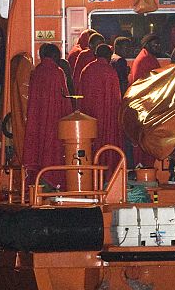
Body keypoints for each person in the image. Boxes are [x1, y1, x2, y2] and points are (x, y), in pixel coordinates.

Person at [23, 43, 73, 189]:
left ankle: (38, 182)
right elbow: (64, 99)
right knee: (53, 152)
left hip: (37, 121)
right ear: (55, 56)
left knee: (38, 148)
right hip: (55, 121)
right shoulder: (57, 72)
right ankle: (52, 183)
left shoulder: (37, 72)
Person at [77, 44, 123, 174]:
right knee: (107, 146)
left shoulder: (86, 70)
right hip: (107, 116)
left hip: (88, 116)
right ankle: (108, 174)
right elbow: (116, 98)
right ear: (109, 56)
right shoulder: (110, 71)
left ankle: (89, 175)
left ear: (95, 55)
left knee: (90, 146)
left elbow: (80, 95)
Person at [128, 34, 162, 167]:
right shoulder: (146, 59)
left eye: (159, 44)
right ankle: (144, 169)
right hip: (145, 106)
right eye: (155, 44)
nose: (158, 47)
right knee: (146, 140)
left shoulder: (146, 57)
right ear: (147, 45)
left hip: (145, 104)